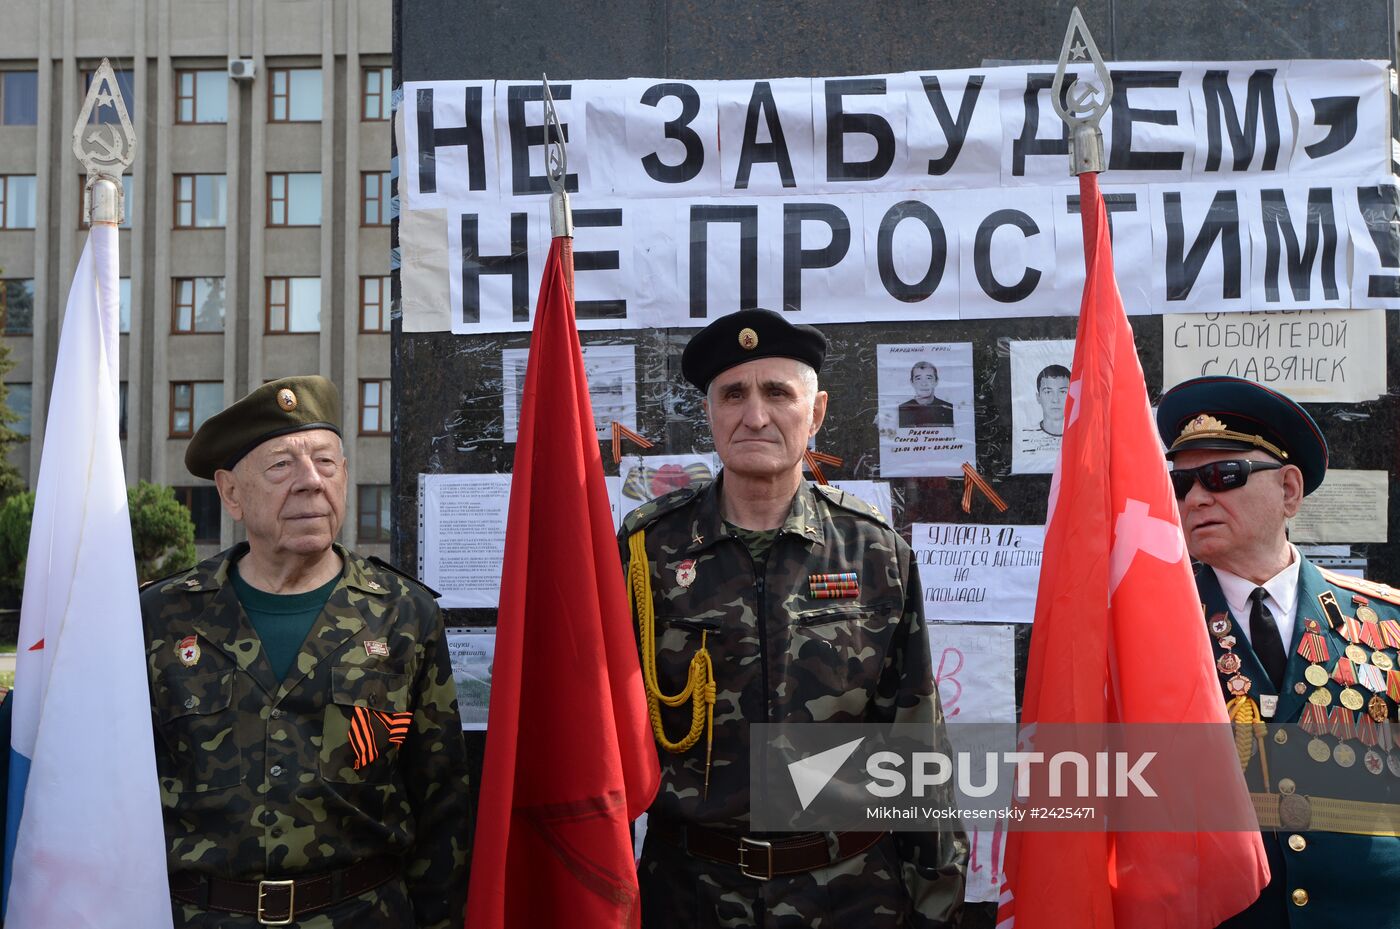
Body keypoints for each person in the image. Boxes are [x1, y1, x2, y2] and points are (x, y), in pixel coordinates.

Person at [620, 308, 966, 928]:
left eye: (777, 392)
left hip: (852, 895)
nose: (755, 416)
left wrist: (936, 901)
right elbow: (603, 742)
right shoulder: (646, 552)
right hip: (691, 897)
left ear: (818, 411)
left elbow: (915, 738)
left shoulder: (874, 551)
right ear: (710, 412)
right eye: (733, 395)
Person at [140, 375, 471, 928]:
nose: (311, 483)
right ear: (231, 493)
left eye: (326, 462)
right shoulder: (162, 618)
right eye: (281, 466)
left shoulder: (403, 614)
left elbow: (443, 804)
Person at [1157, 375, 1400, 928]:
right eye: (1181, 484)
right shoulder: (1153, 631)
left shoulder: (1386, 623)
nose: (1196, 498)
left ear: (1289, 490)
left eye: (1222, 475)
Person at [897, 361, 954, 428]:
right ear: (912, 382)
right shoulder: (903, 410)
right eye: (918, 378)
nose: (924, 384)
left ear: (936, 381)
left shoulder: (948, 409)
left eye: (928, 378)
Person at [1031, 364, 1070, 437]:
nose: (1055, 400)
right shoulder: (1023, 436)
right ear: (1038, 397)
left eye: (1063, 392)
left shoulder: (1085, 435)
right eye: (1048, 392)